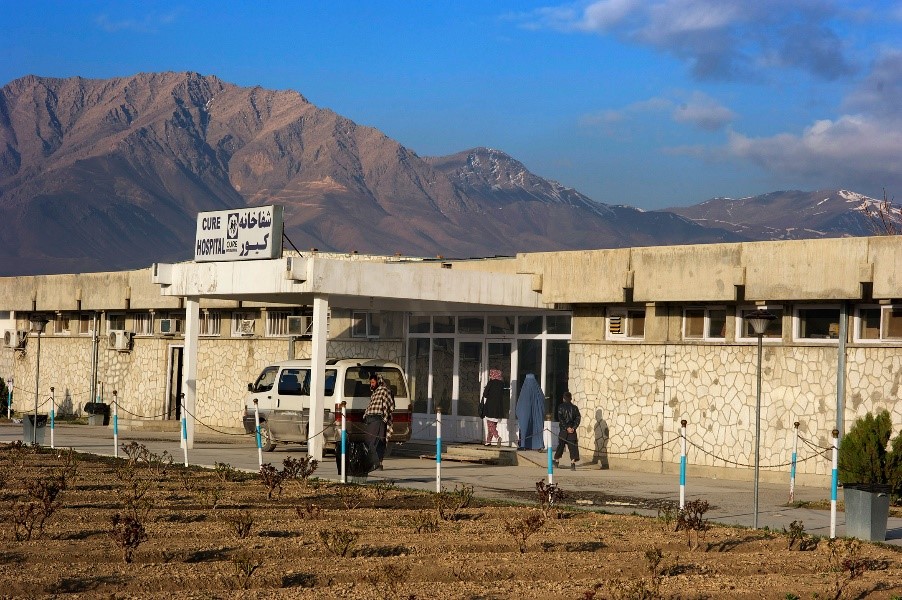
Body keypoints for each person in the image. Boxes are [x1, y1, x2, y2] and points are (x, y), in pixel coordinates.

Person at [363, 373, 394, 472]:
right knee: (370, 441)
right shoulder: (374, 393)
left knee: (377, 441)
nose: (371, 384)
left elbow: (390, 404)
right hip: (370, 419)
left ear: (378, 381)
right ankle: (373, 463)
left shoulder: (384, 391)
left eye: (373, 382)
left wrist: (384, 415)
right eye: (370, 382)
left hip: (378, 419)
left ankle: (377, 463)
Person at [515, 373, 545, 450]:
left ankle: (523, 445)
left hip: (525, 415)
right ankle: (539, 445)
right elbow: (542, 402)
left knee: (525, 426)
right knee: (537, 427)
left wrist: (519, 413)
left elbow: (519, 406)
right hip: (537, 415)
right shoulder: (538, 391)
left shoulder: (524, 390)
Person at [553, 392, 581, 470]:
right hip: (572, 430)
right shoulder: (575, 408)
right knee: (573, 447)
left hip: (563, 430)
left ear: (564, 398)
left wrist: (566, 428)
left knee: (560, 446)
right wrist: (573, 428)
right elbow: (578, 419)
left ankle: (556, 461)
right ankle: (573, 464)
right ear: (571, 398)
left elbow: (561, 419)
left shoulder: (561, 407)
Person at [480, 368, 506, 445]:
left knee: (490, 424)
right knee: (493, 424)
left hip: (490, 406)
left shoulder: (491, 382)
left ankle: (497, 437)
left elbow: (485, 394)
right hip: (498, 407)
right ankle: (488, 441)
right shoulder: (501, 384)